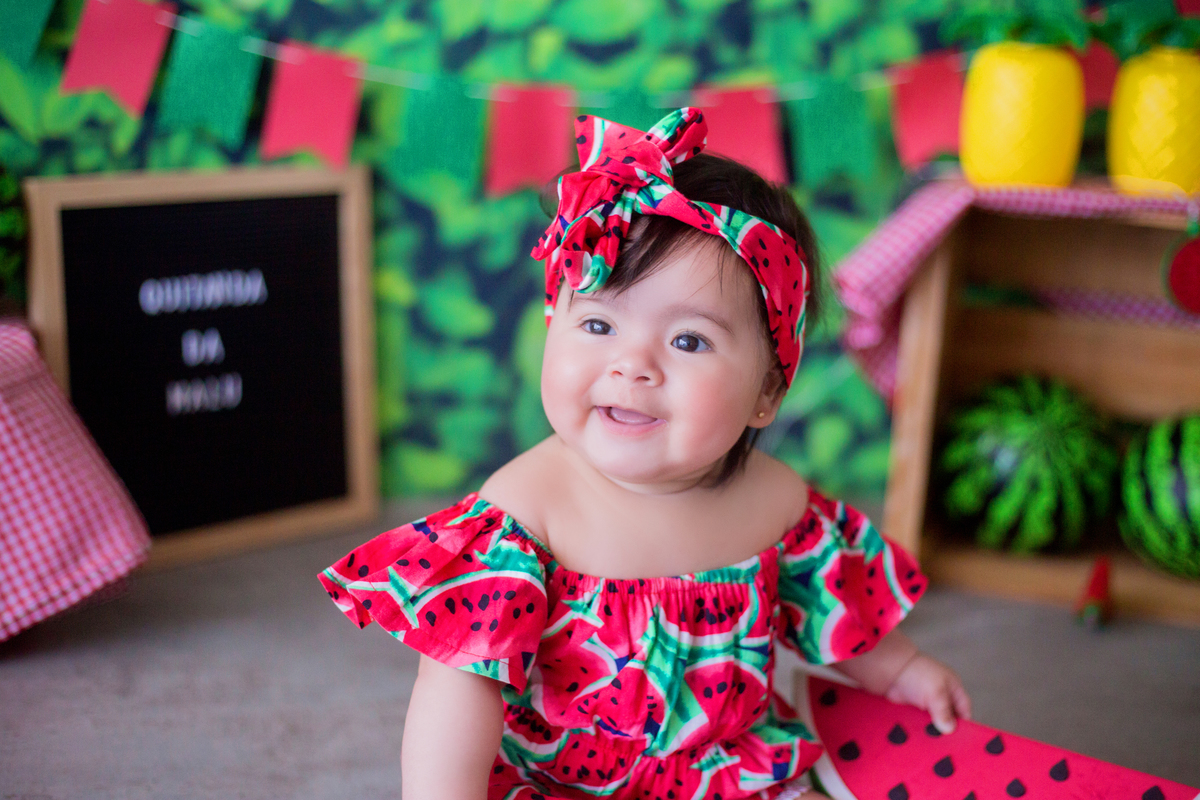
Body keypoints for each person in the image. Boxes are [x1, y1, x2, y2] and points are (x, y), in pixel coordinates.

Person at [320, 107, 971, 800]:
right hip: (560, 782)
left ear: (767, 392)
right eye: (598, 322)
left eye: (689, 341)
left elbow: (839, 613)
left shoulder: (777, 503)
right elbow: (457, 691)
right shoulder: (522, 516)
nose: (632, 365)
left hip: (726, 772)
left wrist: (903, 673)